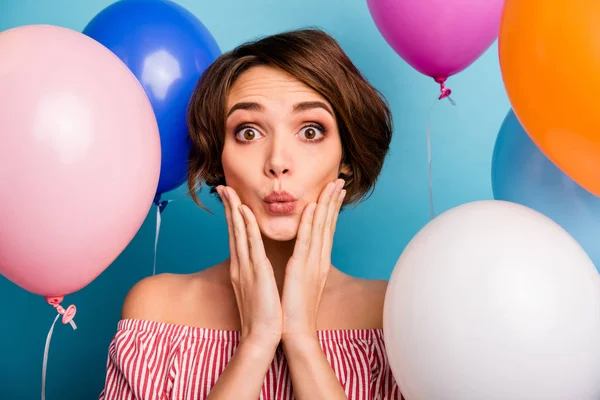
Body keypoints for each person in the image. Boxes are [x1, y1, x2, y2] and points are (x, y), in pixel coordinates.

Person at [99, 28, 402, 399]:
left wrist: (301, 339)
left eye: (310, 131)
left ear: (347, 159)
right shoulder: (157, 307)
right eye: (248, 132)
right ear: (219, 159)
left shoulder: (394, 314)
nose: (277, 162)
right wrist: (257, 342)